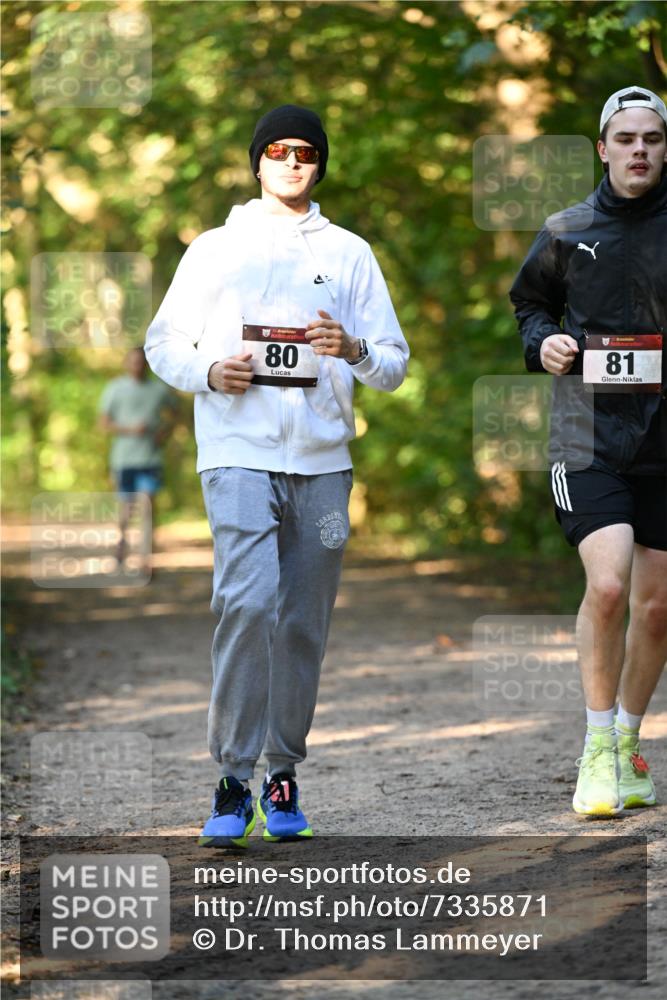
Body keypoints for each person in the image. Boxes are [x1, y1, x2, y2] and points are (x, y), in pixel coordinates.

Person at [145, 105, 408, 846]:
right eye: (278, 150)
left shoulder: (352, 253)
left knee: (301, 622)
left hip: (324, 467)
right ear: (257, 161)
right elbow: (163, 341)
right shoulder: (213, 250)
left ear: (318, 165)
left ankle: (282, 771)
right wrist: (207, 369)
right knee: (249, 603)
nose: (292, 161)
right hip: (235, 454)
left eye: (305, 152)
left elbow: (392, 362)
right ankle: (232, 777)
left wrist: (352, 348)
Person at [510, 86, 667, 817]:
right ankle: (595, 749)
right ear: (602, 149)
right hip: (587, 438)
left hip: (665, 441)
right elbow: (528, 304)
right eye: (626, 138)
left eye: (653, 139)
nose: (639, 150)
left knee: (657, 607)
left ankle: (629, 749)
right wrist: (542, 341)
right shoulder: (566, 228)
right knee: (606, 588)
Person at [98, 346, 175, 572]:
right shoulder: (115, 389)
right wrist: (131, 430)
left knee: (148, 506)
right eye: (133, 361)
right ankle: (121, 546)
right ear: (126, 363)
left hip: (150, 459)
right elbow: (103, 423)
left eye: (141, 362)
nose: (137, 366)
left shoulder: (159, 390)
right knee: (126, 509)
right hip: (124, 460)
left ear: (147, 364)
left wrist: (165, 432)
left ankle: (145, 559)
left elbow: (175, 415)